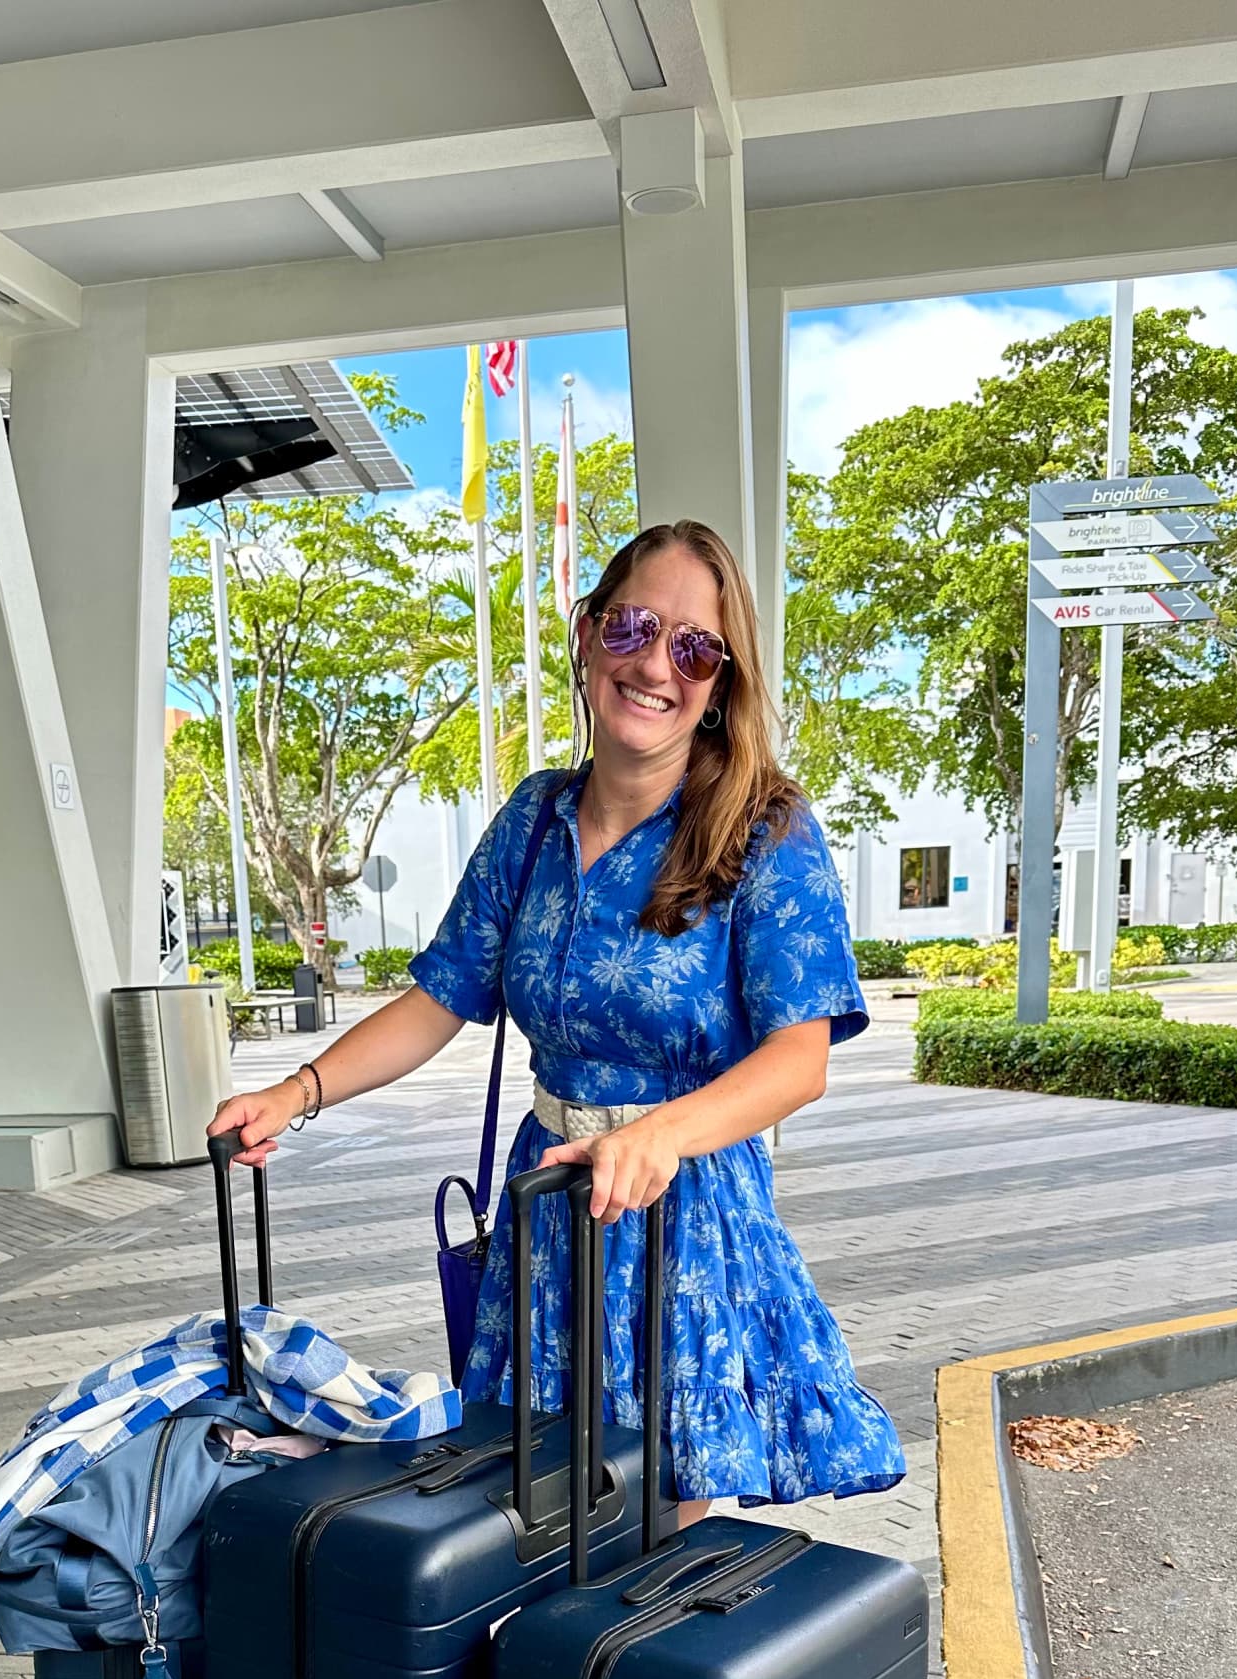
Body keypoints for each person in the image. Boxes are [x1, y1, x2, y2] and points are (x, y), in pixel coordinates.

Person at [209, 517, 903, 1521]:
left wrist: (658, 1136)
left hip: (684, 1211)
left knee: (653, 1519)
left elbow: (797, 1061)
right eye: (633, 626)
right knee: (536, 1509)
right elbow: (440, 995)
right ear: (586, 636)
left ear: (718, 685)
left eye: (693, 647)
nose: (657, 663)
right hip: (547, 1201)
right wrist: (294, 1093)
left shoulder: (766, 830)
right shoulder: (532, 819)